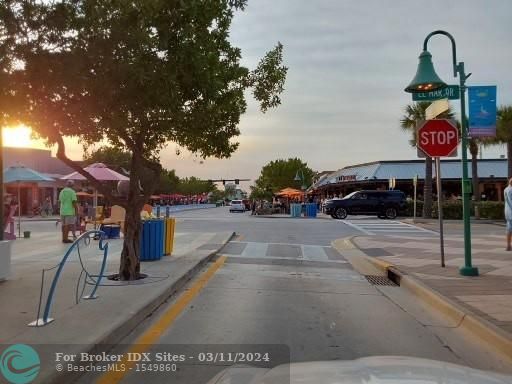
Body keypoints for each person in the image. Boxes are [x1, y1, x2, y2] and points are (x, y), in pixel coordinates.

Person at [505, 178, 512, 251]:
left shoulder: (506, 189)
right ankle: (508, 246)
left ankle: (508, 245)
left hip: (508, 212)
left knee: (509, 229)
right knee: (509, 229)